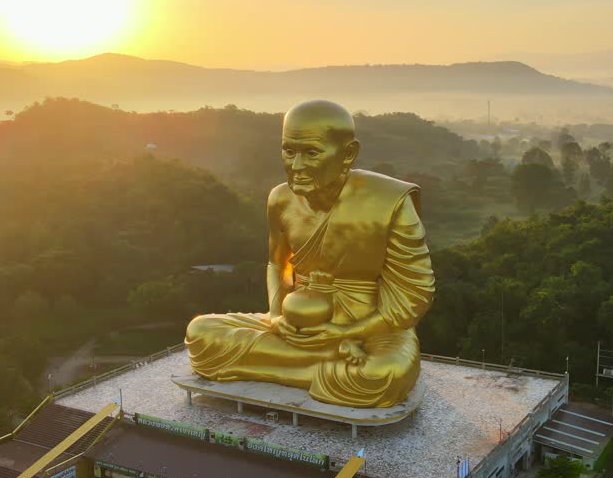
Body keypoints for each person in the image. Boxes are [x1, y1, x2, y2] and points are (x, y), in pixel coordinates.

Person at [185, 100, 434, 408]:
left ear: (348, 154)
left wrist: (346, 332)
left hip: (372, 328)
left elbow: (413, 295)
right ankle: (325, 367)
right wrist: (276, 318)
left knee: (386, 372)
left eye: (312, 153)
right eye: (289, 151)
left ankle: (288, 364)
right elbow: (277, 265)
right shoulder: (281, 199)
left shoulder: (389, 202)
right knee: (200, 332)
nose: (297, 166)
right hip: (295, 323)